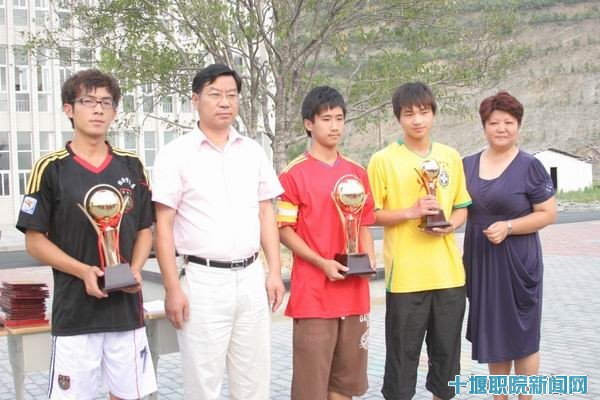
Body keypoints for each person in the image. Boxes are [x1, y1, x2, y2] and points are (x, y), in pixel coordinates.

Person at [16, 69, 157, 399]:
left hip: (127, 312)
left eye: (106, 103)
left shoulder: (132, 165)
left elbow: (144, 229)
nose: (98, 109)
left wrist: (135, 270)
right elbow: (34, 242)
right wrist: (83, 271)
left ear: (114, 112)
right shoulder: (50, 168)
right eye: (88, 101)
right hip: (75, 313)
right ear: (69, 109)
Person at [152, 63, 285, 400]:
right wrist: (172, 288)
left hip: (251, 277)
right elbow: (163, 225)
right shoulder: (175, 154)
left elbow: (266, 213)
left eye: (231, 95)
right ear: (195, 99)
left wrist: (274, 271)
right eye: (215, 95)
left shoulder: (253, 151)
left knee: (254, 381)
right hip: (203, 282)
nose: (225, 102)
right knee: (203, 384)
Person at [367, 82, 472, 400]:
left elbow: (461, 207)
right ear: (398, 117)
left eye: (423, 112)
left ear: (433, 114)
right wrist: (410, 212)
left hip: (449, 276)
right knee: (402, 360)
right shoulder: (383, 160)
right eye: (409, 113)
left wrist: (450, 225)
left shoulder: (450, 156)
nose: (417, 120)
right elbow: (370, 214)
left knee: (447, 362)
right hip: (406, 279)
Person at [277, 86, 377, 400]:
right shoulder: (293, 174)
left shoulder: (357, 173)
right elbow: (284, 230)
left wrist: (369, 259)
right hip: (314, 295)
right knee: (312, 389)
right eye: (326, 119)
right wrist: (322, 263)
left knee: (345, 386)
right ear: (309, 124)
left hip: (354, 293)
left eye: (339, 118)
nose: (334, 126)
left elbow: (364, 222)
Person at [462, 91, 556, 400]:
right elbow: (458, 209)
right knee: (494, 335)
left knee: (523, 336)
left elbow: (547, 213)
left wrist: (510, 226)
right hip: (481, 259)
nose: (501, 128)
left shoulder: (530, 165)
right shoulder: (467, 165)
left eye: (508, 122)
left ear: (518, 125)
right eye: (494, 122)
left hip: (518, 261)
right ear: (484, 126)